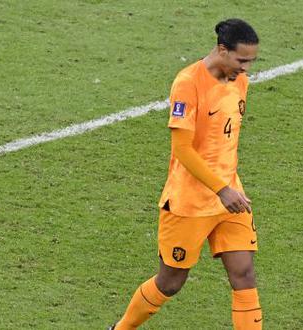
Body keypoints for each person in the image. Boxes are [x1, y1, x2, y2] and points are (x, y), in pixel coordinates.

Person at [110, 18, 262, 330]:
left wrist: (227, 188)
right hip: (190, 202)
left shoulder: (240, 82)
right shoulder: (188, 83)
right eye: (241, 60)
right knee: (170, 282)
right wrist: (221, 188)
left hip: (230, 198)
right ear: (222, 50)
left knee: (244, 275)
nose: (246, 68)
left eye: (251, 61)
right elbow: (182, 149)